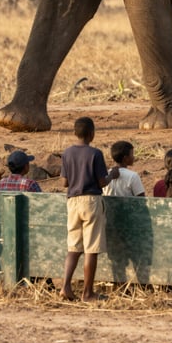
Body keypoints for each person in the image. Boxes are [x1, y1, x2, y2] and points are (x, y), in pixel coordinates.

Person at [59, 117, 119, 301]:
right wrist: (112, 175)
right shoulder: (95, 153)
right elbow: (102, 182)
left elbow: (64, 182)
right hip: (91, 201)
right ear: (92, 134)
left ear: (75, 133)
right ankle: (88, 292)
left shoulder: (67, 153)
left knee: (74, 247)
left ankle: (65, 287)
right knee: (91, 248)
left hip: (72, 201)